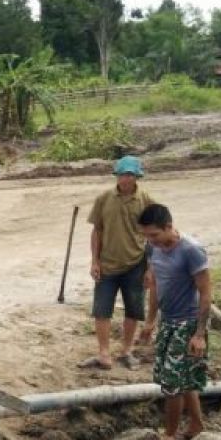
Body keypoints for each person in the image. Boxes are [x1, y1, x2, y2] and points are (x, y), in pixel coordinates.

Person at [137, 204, 212, 440]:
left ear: (169, 226)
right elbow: (155, 285)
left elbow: (206, 292)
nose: (151, 241)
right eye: (147, 235)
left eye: (155, 235)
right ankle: (197, 424)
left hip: (187, 323)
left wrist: (199, 334)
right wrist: (150, 321)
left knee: (172, 383)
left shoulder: (191, 251)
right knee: (182, 378)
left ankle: (169, 435)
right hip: (167, 322)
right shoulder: (153, 248)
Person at [83, 155, 157, 370]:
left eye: (130, 175)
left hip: (136, 264)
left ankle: (126, 351)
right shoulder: (104, 199)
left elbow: (154, 236)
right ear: (116, 176)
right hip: (107, 265)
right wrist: (95, 261)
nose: (125, 179)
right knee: (102, 309)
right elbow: (97, 230)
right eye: (122, 175)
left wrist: (150, 269)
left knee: (133, 309)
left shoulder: (146, 201)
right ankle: (104, 353)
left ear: (137, 177)